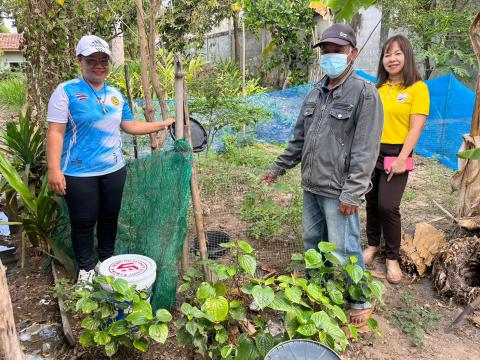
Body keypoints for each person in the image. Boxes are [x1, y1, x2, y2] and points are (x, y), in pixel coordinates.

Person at [261, 24, 383, 327]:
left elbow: (366, 150)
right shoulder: (315, 92)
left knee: (345, 248)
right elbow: (299, 139)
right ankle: (319, 293)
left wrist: (353, 193)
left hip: (339, 190)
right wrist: (278, 167)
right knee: (313, 243)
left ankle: (360, 299)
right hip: (311, 185)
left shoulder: (364, 94)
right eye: (326, 51)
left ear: (352, 54)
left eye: (337, 51)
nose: (330, 57)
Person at [46, 35, 175, 284]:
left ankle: (105, 262)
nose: (98, 65)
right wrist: (54, 169)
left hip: (114, 169)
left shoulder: (115, 94)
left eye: (103, 60)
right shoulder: (66, 91)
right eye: (92, 60)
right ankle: (85, 270)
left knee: (109, 218)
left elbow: (129, 125)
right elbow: (55, 131)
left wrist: (162, 123)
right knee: (83, 222)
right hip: (78, 172)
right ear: (79, 61)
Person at [363, 35, 430, 284]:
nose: (392, 58)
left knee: (388, 206)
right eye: (387, 54)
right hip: (372, 151)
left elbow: (415, 128)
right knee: (370, 200)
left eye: (397, 53)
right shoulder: (377, 88)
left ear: (407, 56)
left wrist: (403, 158)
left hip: (397, 153)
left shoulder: (417, 88)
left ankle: (392, 257)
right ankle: (372, 245)